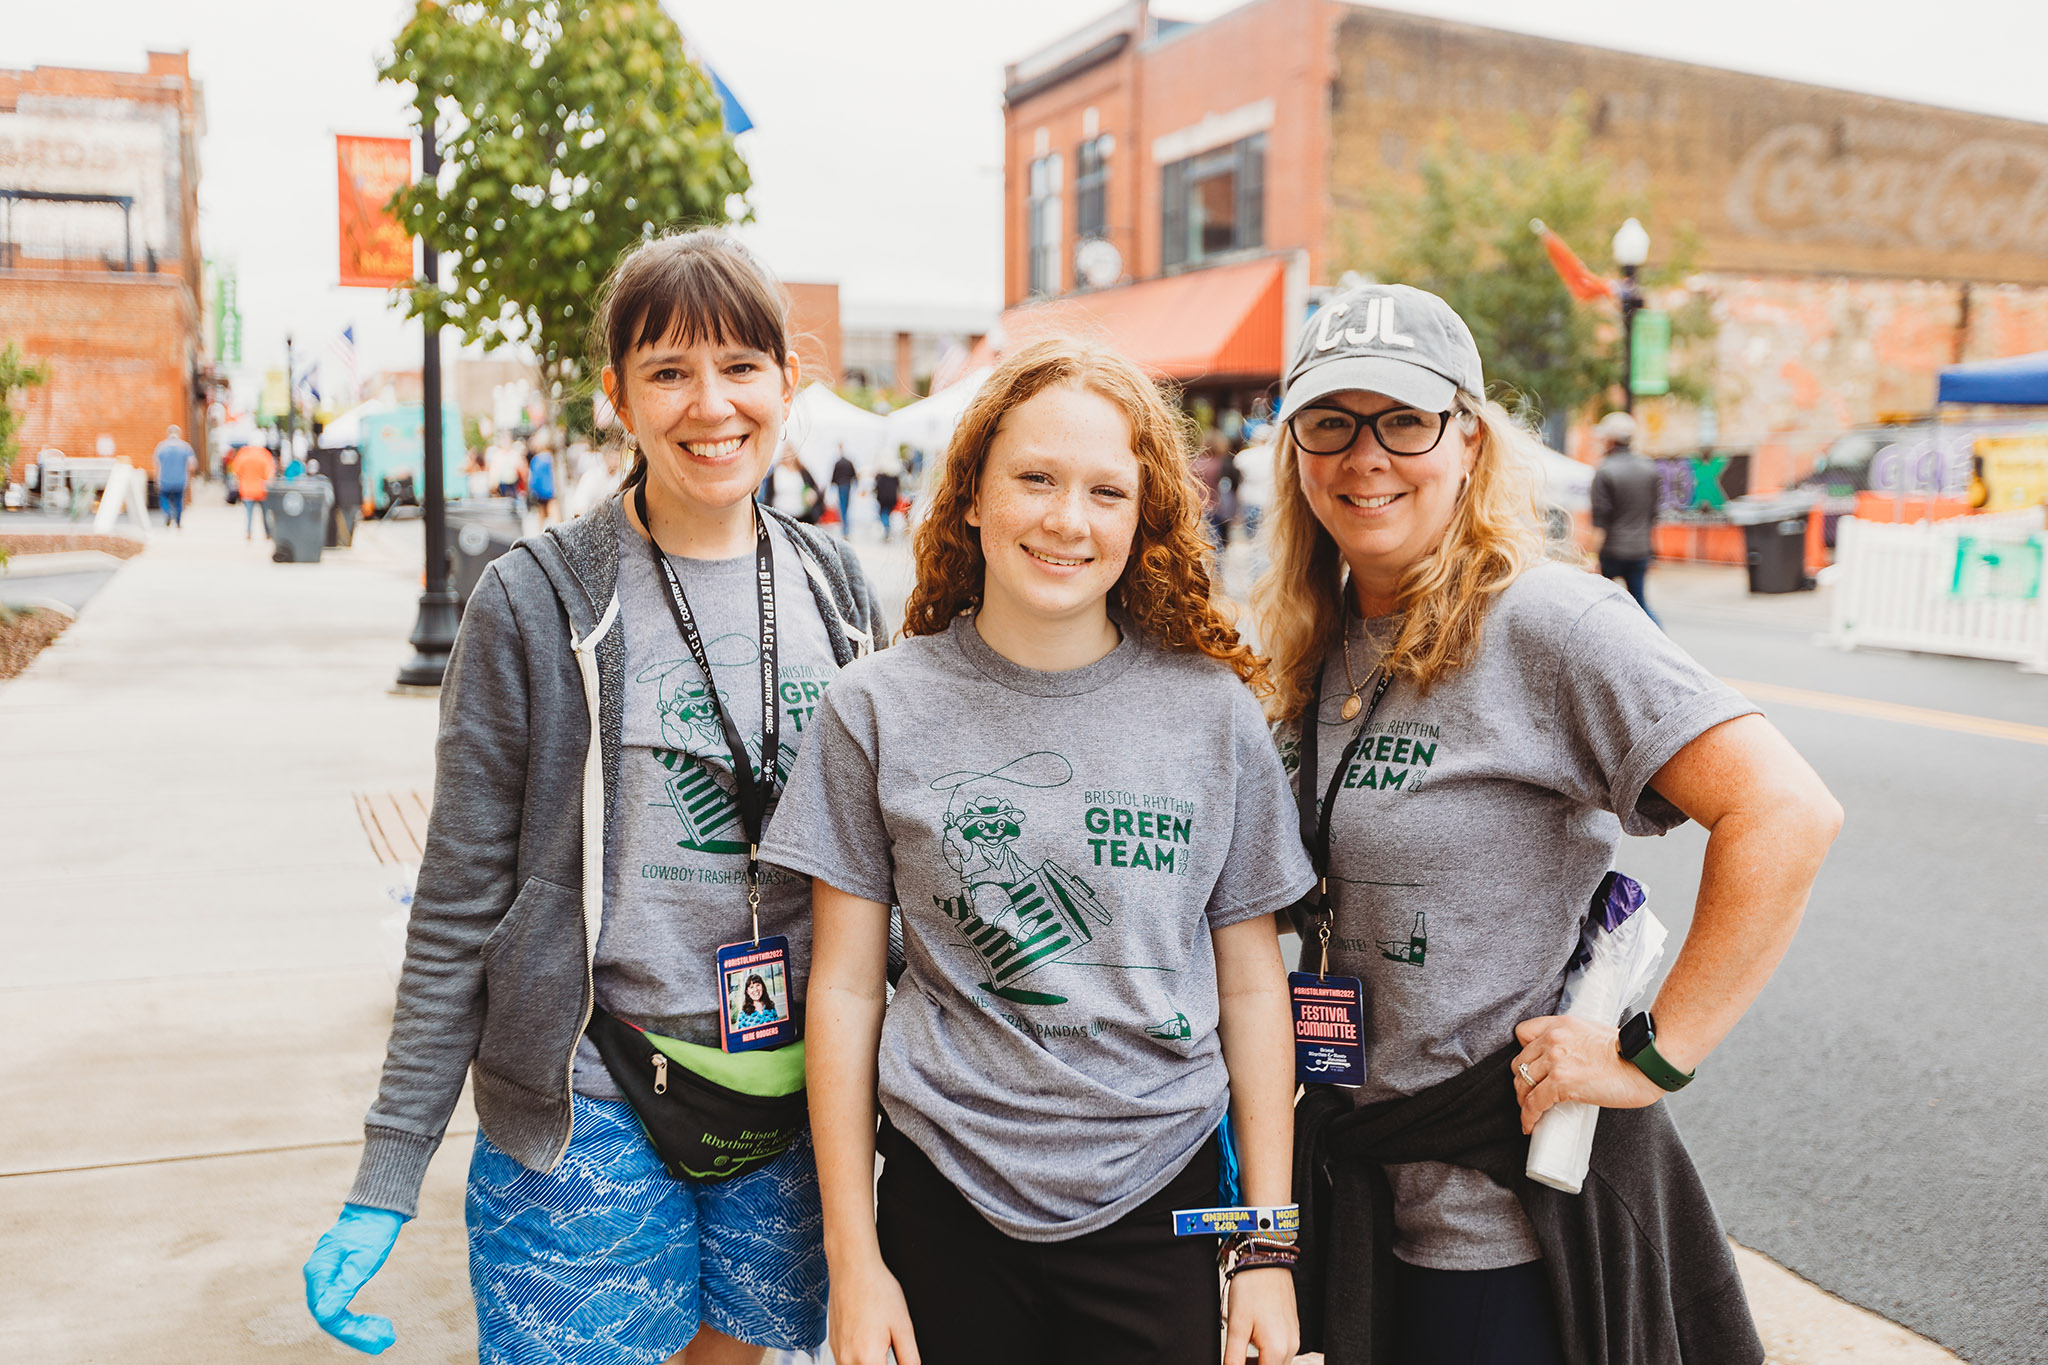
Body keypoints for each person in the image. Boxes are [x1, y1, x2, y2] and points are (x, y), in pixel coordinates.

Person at [301, 229, 888, 1365]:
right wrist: (390, 1164)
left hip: (793, 1098)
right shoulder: (533, 600)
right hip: (590, 1098)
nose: (708, 405)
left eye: (739, 368)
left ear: (788, 383)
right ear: (616, 394)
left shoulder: (838, 586)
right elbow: (462, 893)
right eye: (668, 371)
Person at [1251, 282, 1843, 1363]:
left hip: (1500, 1223)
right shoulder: (1311, 642)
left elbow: (1784, 809)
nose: (1364, 455)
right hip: (1355, 1185)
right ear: (1294, 451)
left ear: (1468, 440)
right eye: (1329, 421)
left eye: (1404, 420)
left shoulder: (1545, 622)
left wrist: (1653, 1058)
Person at [761, 338, 1311, 1365]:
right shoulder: (873, 709)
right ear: (970, 496)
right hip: (941, 1195)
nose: (1067, 519)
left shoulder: (1212, 718)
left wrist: (1266, 1252)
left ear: (1143, 518)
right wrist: (854, 1258)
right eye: (1035, 479)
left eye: (1106, 490)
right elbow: (841, 993)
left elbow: (1249, 989)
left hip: (1165, 1202)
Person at [1589, 410, 1661, 624]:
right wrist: (1652, 551)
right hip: (1640, 550)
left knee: (1597, 605)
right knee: (1640, 604)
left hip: (1611, 552)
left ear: (1610, 439)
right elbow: (1653, 516)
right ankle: (1659, 643)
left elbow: (1600, 520)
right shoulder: (1650, 469)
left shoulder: (1604, 471)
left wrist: (1592, 557)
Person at [229, 442, 276, 540]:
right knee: (265, 513)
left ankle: (249, 532)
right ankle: (268, 533)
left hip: (247, 489)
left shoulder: (243, 454)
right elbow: (270, 473)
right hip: (261, 489)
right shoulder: (264, 455)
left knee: (249, 514)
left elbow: (235, 471)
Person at [152, 425, 196, 530]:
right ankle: (178, 520)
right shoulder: (185, 447)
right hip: (180, 480)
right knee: (179, 501)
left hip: (165, 480)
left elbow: (156, 465)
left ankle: (168, 513)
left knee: (164, 499)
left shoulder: (161, 447)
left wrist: (156, 479)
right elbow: (192, 465)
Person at [765, 449, 822, 524]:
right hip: (781, 517)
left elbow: (815, 488)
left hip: (802, 516)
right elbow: (768, 494)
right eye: (785, 452)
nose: (787, 455)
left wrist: (813, 494)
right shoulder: (776, 472)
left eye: (789, 452)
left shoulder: (802, 471)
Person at [872, 456, 902, 541]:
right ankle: (887, 528)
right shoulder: (895, 475)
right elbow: (898, 487)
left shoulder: (881, 475)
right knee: (887, 513)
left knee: (883, 513)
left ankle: (887, 528)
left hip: (883, 498)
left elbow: (877, 486)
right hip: (892, 497)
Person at [529, 440, 558, 525]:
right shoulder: (551, 458)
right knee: (553, 514)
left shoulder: (536, 459)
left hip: (539, 491)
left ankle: (541, 532)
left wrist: (532, 489)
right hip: (551, 490)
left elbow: (532, 476)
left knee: (541, 514)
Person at [829, 446, 856, 534]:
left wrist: (832, 484)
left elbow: (834, 475)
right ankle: (846, 528)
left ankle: (845, 528)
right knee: (846, 506)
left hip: (840, 486)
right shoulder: (849, 462)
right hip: (847, 485)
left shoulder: (838, 463)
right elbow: (853, 474)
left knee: (842, 506)